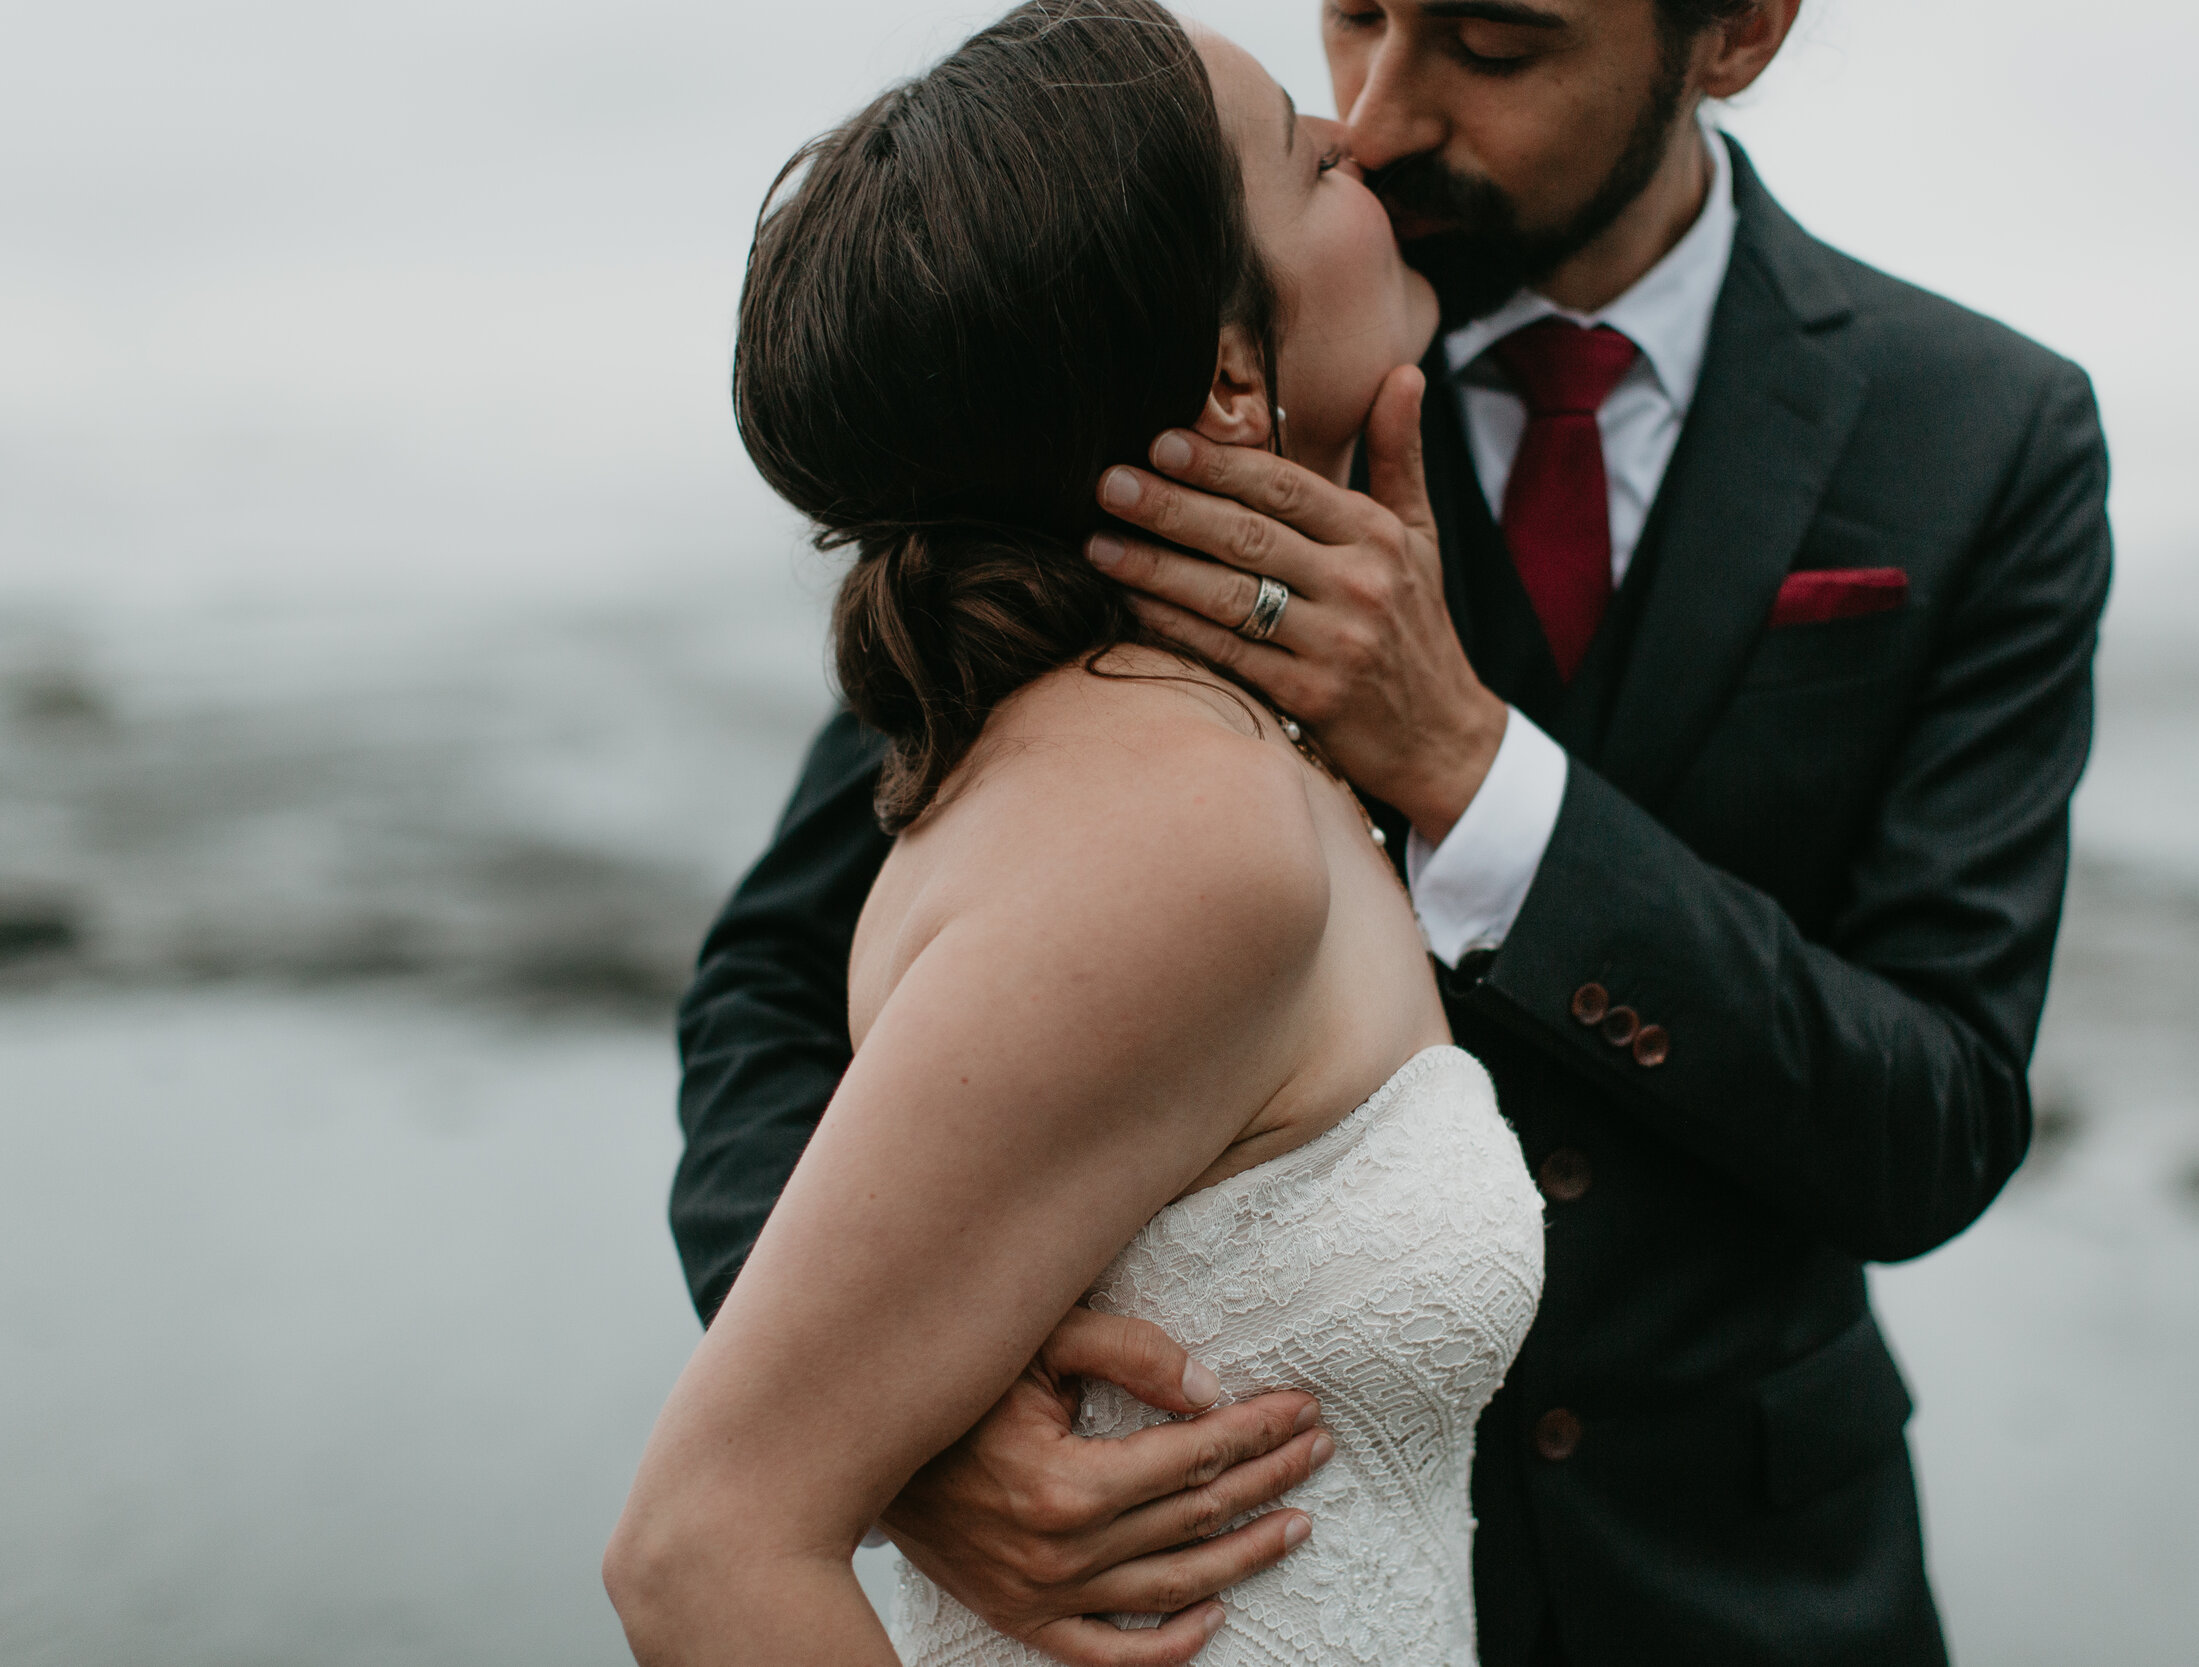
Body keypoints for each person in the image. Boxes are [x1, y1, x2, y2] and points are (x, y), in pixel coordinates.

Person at [671, 0, 2114, 1662]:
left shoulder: (1982, 436)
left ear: (1734, 35)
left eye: (1493, 47)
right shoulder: (1167, 343)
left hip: (1749, 1585)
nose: (1378, 110)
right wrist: (907, 1417)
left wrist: (1478, 772)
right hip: (1205, 1593)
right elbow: (778, 987)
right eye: (1354, 14)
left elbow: (1934, 1119)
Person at [605, 5, 1546, 1664]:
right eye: (1309, 160)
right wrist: (889, 1434)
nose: (1365, 145)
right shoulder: (1173, 819)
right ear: (1234, 373)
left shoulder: (1205, 752)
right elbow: (701, 1552)